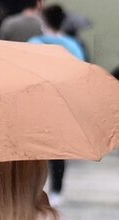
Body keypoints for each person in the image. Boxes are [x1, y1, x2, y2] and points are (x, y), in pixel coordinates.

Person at [30, 4, 86, 207]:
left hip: (37, 102)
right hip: (61, 102)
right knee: (57, 150)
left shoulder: (33, 43)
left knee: (35, 147)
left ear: (44, 22)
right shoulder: (72, 45)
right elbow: (79, 76)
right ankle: (57, 191)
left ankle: (34, 186)